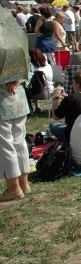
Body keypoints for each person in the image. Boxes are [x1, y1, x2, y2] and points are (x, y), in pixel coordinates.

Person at [1, 49, 31, 202]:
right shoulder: (18, 45)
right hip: (19, 99)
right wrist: (17, 81)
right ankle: (24, 184)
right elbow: (28, 72)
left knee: (6, 146)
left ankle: (13, 188)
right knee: (19, 142)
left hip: (3, 102)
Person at [49, 69, 81, 142]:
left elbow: (56, 116)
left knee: (53, 125)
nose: (72, 85)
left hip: (73, 134)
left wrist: (55, 98)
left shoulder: (71, 99)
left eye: (73, 83)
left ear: (78, 85)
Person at [26, 48, 54, 112]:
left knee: (27, 89)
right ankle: (37, 107)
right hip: (50, 91)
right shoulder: (48, 66)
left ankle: (30, 110)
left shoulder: (31, 70)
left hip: (37, 94)